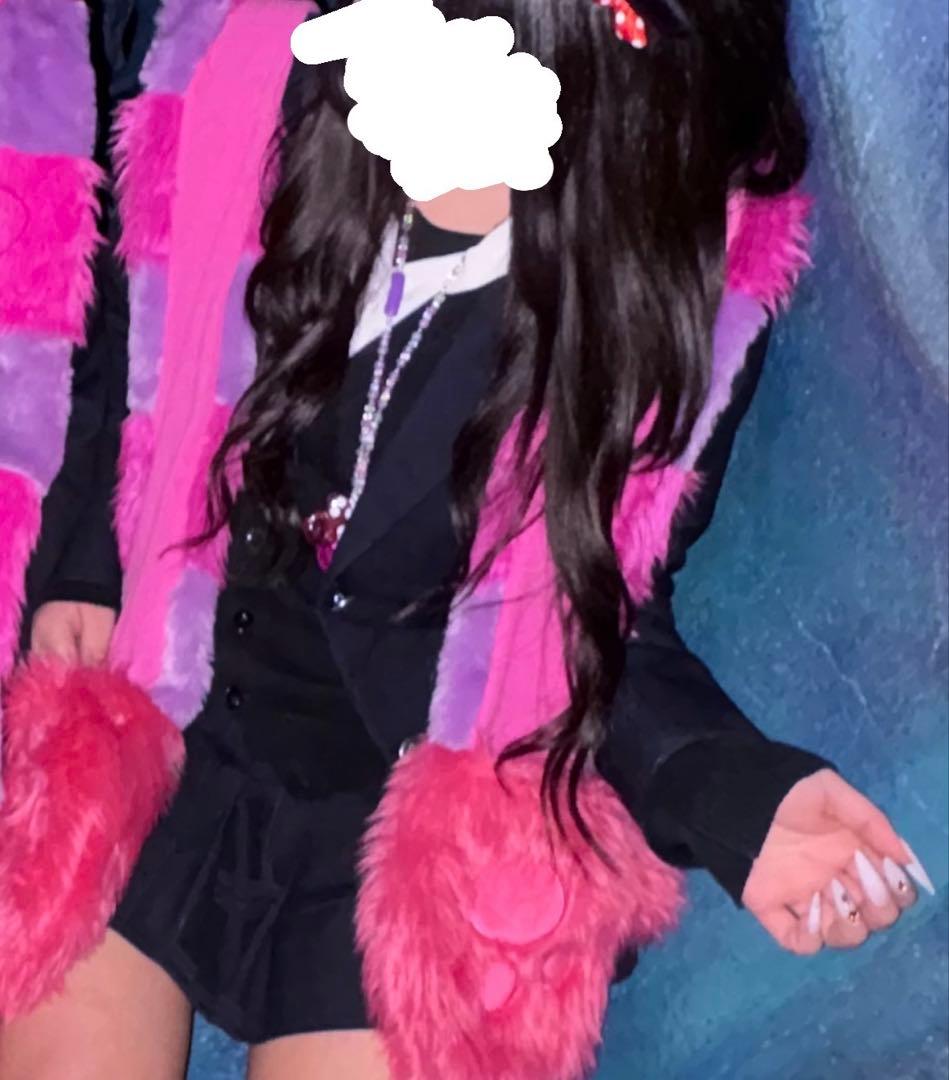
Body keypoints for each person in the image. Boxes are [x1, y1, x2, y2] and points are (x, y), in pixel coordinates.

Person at [0, 2, 931, 1079]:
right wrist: (85, 562)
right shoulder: (279, 57)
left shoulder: (680, 263)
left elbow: (600, 609)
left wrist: (726, 789)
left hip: (407, 798)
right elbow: (134, 308)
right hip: (172, 703)